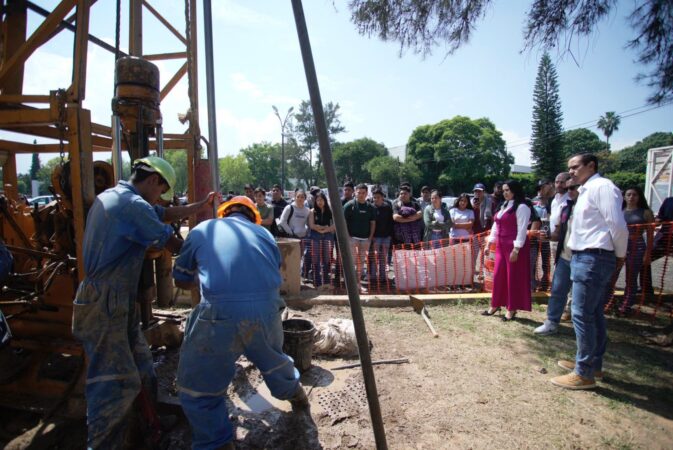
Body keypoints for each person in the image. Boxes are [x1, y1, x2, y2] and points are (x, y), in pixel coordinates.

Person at [72, 157, 217, 448]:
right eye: (161, 190)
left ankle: (148, 426)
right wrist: (207, 260)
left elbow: (162, 213)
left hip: (115, 301)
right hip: (105, 303)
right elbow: (169, 241)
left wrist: (199, 206)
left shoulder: (118, 196)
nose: (160, 198)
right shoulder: (131, 206)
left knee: (142, 367)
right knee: (112, 384)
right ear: (153, 180)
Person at [173, 196, 309, 450]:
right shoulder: (265, 235)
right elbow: (272, 269)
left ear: (224, 214)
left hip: (218, 313)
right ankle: (295, 393)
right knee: (273, 360)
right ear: (253, 217)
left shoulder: (203, 229)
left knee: (199, 387)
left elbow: (181, 278)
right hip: (266, 311)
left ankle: (217, 443)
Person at [550, 153, 628, 390]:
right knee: (591, 313)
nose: (571, 172)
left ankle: (584, 372)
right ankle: (592, 365)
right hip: (583, 256)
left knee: (582, 314)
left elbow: (617, 225)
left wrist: (620, 256)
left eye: (575, 167)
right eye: (569, 168)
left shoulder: (602, 187)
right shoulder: (586, 191)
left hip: (594, 257)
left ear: (591, 166)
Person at [534, 180, 580, 335]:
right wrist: (548, 237)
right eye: (559, 183)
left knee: (577, 290)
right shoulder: (563, 205)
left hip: (583, 255)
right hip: (562, 251)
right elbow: (558, 229)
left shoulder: (587, 207)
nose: (568, 190)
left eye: (572, 187)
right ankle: (552, 321)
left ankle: (573, 315)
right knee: (558, 288)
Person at [482, 179, 532, 321]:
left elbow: (522, 230)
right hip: (500, 245)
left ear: (514, 190)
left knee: (513, 277)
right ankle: (495, 304)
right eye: (503, 190)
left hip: (514, 246)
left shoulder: (522, 207)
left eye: (507, 190)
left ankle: (511, 308)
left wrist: (516, 250)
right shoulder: (503, 205)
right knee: (498, 275)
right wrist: (488, 243)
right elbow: (495, 226)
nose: (505, 193)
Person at [614, 186, 654, 315]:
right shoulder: (619, 211)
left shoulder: (645, 212)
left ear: (639, 196)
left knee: (631, 278)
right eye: (628, 194)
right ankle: (607, 302)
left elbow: (650, 235)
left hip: (637, 246)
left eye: (634, 195)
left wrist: (647, 253)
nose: (631, 197)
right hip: (620, 245)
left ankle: (626, 305)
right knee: (612, 275)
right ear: (624, 197)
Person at [344, 183, 376, 293]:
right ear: (355, 192)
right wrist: (348, 237)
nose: (361, 195)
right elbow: (343, 222)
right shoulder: (349, 205)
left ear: (367, 193)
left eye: (363, 193)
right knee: (351, 263)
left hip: (365, 240)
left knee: (361, 264)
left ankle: (358, 284)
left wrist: (370, 238)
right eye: (359, 193)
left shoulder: (370, 207)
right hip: (352, 239)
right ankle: (350, 286)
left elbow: (373, 223)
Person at [308, 191, 335, 289]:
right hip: (315, 236)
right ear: (315, 201)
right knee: (316, 258)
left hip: (327, 236)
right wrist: (322, 228)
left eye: (321, 200)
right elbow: (312, 225)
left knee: (327, 258)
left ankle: (326, 280)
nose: (320, 202)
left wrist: (325, 229)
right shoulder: (312, 211)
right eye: (318, 200)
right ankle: (317, 281)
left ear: (325, 200)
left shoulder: (330, 211)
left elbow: (334, 225)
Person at [531, 179, 554, 291]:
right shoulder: (533, 202)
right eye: (540, 188)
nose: (542, 191)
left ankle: (545, 283)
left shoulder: (552, 202)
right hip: (534, 237)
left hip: (547, 237)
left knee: (546, 262)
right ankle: (532, 284)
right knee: (533, 261)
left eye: (545, 188)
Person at [369, 187, 394, 285]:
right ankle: (373, 277)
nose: (376, 199)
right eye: (374, 197)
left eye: (378, 197)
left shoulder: (387, 207)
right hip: (375, 237)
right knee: (374, 257)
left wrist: (390, 235)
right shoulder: (371, 207)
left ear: (382, 197)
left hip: (386, 236)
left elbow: (391, 222)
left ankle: (383, 277)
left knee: (384, 257)